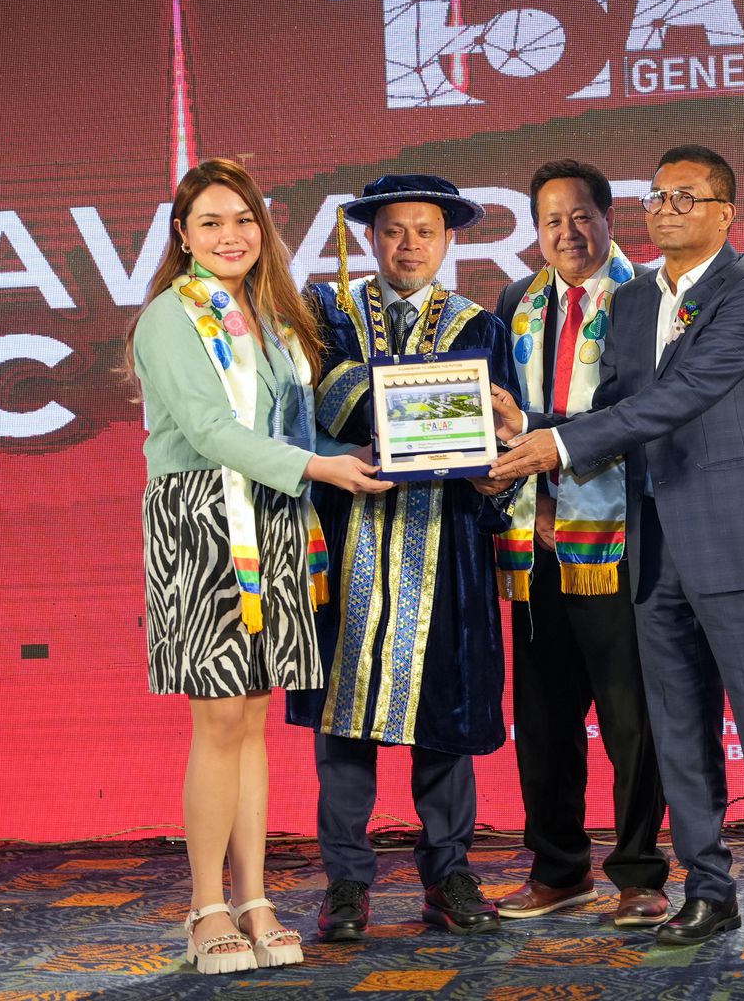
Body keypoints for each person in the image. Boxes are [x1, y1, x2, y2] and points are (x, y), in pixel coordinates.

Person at [490, 146, 744, 947]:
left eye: (687, 196)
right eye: (658, 196)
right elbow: (614, 406)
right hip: (650, 544)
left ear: (725, 212)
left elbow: (684, 394)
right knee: (678, 729)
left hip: (739, 539)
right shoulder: (636, 298)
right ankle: (708, 890)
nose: (668, 209)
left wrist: (556, 447)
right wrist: (526, 428)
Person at [130, 158, 392, 974]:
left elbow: (290, 428)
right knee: (218, 721)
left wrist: (368, 449)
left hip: (273, 518)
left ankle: (253, 899)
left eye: (243, 219)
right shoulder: (169, 318)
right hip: (205, 520)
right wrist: (320, 470)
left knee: (250, 721)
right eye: (210, 222)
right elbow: (209, 431)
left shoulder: (272, 318)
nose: (230, 235)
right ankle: (205, 907)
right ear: (183, 235)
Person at [284, 174, 521, 939]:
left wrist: (496, 462)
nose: (409, 245)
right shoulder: (326, 314)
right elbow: (323, 401)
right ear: (370, 237)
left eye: (424, 231)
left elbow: (499, 438)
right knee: (342, 724)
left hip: (444, 548)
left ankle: (449, 873)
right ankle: (346, 883)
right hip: (347, 538)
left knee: (445, 721)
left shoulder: (480, 327)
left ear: (449, 239)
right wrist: (431, 402)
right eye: (393, 231)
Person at [489, 159, 672, 928]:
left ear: (609, 218)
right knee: (543, 717)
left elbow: (640, 413)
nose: (567, 233)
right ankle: (558, 869)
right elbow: (495, 417)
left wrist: (536, 433)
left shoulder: (647, 298)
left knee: (632, 719)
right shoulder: (514, 302)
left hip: (619, 537)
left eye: (581, 216)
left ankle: (639, 873)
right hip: (534, 540)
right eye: (551, 221)